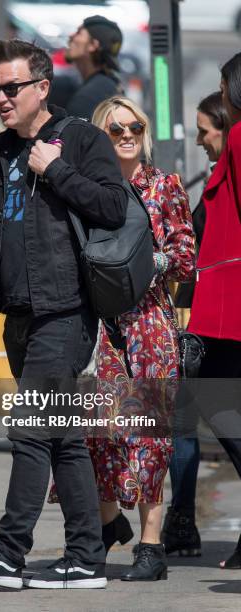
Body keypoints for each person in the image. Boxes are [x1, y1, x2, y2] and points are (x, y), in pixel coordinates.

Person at [0, 39, 128, 590]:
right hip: (15, 316)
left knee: (32, 431)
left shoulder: (80, 139)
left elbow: (114, 208)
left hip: (66, 311)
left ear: (42, 87)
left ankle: (9, 551)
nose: (0, 98)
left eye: (11, 88)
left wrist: (58, 171)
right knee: (60, 436)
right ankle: (86, 555)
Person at [85, 96, 195, 580]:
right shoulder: (87, 189)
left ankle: (151, 548)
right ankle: (110, 523)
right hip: (99, 325)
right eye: (115, 129)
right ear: (100, 136)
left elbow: (186, 255)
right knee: (96, 432)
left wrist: (149, 264)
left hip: (149, 323)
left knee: (150, 435)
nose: (127, 134)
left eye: (135, 126)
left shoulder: (164, 186)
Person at [164, 91, 230, 558]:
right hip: (197, 321)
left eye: (205, 130)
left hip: (218, 325)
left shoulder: (228, 183)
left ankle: (182, 519)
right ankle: (181, 520)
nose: (201, 139)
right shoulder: (217, 177)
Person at [188, 52, 241, 570]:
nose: (201, 137)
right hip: (222, 309)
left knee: (208, 393)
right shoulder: (228, 154)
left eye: (206, 129)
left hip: (233, 310)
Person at [65, 15, 123, 120]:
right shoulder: (109, 85)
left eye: (78, 32)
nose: (70, 36)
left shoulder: (87, 98)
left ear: (93, 45)